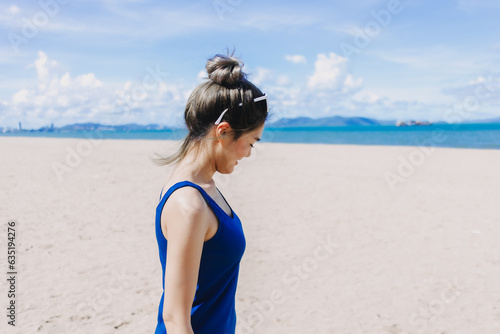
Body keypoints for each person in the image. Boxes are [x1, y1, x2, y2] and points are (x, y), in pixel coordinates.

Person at [153, 52, 269, 334]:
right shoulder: (188, 204)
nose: (250, 154)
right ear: (224, 132)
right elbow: (175, 318)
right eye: (252, 142)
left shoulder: (206, 188)